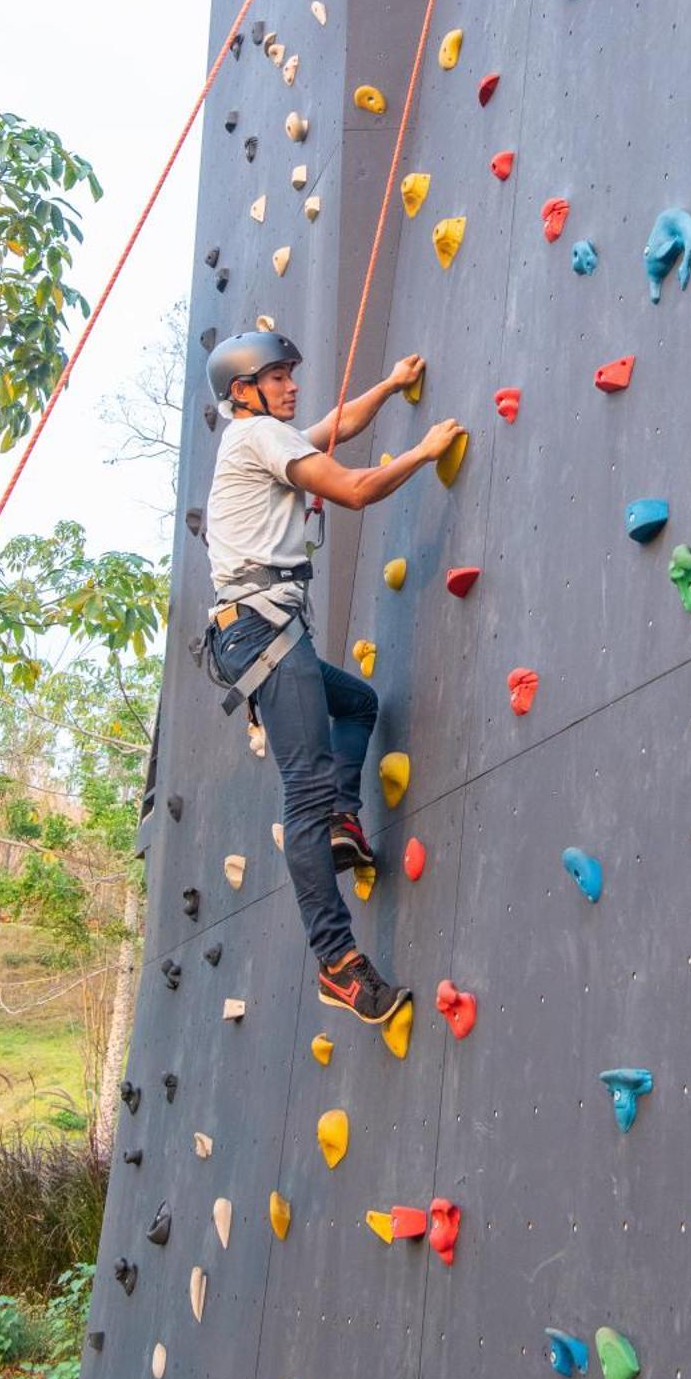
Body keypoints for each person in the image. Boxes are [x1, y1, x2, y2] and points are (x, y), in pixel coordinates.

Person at [202, 329, 462, 1024]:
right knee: (306, 792)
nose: (292, 385)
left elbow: (333, 427)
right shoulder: (257, 438)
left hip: (262, 630)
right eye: (278, 375)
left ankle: (344, 818)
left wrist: (387, 384)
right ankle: (338, 965)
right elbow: (352, 489)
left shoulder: (262, 438)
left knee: (358, 704)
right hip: (262, 632)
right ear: (242, 392)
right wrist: (422, 451)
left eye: (290, 373)